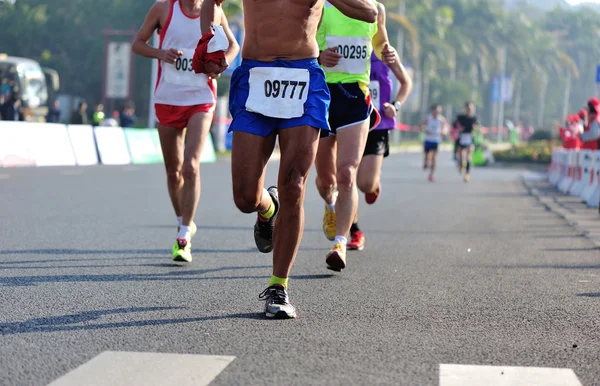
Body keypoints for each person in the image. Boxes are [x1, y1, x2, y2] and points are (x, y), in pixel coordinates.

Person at [198, 0, 377, 319]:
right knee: (244, 198)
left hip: (304, 78)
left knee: (294, 186)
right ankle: (269, 207)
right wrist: (210, 39)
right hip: (256, 74)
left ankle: (279, 286)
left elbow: (368, 12)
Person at [132, 0, 240, 262]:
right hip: (168, 97)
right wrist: (161, 53)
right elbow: (138, 43)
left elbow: (234, 45)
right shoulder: (163, 9)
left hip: (201, 97)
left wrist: (220, 62)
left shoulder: (213, 9)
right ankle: (184, 220)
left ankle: (183, 236)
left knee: (191, 165)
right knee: (174, 170)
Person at [315, 1, 397, 266]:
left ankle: (340, 243)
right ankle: (330, 205)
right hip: (324, 96)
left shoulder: (375, 9)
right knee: (326, 182)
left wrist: (388, 54)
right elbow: (303, 43)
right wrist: (319, 57)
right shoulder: (322, 5)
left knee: (347, 173)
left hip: (356, 97)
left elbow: (380, 44)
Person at [347, 38, 412, 251]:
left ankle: (374, 183)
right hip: (348, 120)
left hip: (378, 124)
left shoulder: (384, 50)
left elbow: (406, 82)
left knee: (365, 184)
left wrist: (396, 105)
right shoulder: (343, 44)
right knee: (346, 179)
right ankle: (354, 231)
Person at [453, 101, 479, 182]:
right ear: (465, 109)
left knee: (468, 156)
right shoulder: (461, 117)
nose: (469, 110)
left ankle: (467, 174)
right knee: (461, 155)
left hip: (469, 137)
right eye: (468, 109)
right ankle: (461, 165)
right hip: (462, 137)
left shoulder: (474, 118)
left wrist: (475, 128)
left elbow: (477, 127)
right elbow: (454, 125)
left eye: (471, 109)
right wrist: (459, 128)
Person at [420, 104, 447, 182]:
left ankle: (431, 174)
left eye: (439, 111)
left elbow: (445, 128)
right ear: (432, 111)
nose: (437, 112)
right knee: (427, 155)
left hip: (436, 140)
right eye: (436, 111)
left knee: (434, 157)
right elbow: (421, 126)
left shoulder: (442, 119)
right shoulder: (428, 118)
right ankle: (426, 162)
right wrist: (425, 130)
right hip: (428, 139)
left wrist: (443, 131)